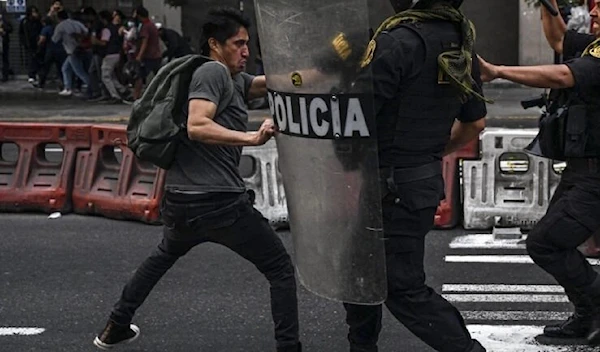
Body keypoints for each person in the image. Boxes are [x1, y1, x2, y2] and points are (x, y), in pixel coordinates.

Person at [92, 6, 302, 352]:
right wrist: (252, 138)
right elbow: (197, 124)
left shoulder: (233, 78)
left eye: (248, 43)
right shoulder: (212, 73)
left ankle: (116, 325)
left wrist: (317, 70)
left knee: (162, 257)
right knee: (279, 268)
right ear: (214, 44)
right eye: (239, 43)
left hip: (182, 201)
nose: (246, 51)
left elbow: (273, 81)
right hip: (219, 203)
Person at [342, 1, 487, 351]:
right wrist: (428, 154)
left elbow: (356, 116)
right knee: (359, 273)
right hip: (415, 181)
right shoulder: (460, 42)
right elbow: (475, 123)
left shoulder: (397, 41)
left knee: (401, 287)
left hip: (391, 187)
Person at [478, 0, 600, 345]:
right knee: (553, 242)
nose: (592, 12)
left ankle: (594, 308)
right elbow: (559, 40)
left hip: (595, 176)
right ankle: (587, 315)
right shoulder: (592, 45)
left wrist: (499, 71)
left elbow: (564, 74)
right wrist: (548, 4)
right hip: (582, 170)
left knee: (546, 242)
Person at [52, 10, 91, 97]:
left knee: (79, 71)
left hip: (71, 51)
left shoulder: (60, 26)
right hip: (81, 48)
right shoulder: (77, 23)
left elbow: (55, 39)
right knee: (65, 68)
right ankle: (67, 87)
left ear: (58, 18)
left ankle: (91, 86)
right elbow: (86, 31)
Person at [132, 6, 162, 99]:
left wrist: (139, 55)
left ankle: (136, 96)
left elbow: (145, 41)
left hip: (149, 56)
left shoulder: (145, 26)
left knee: (139, 76)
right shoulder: (152, 25)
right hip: (156, 55)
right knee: (159, 76)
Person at [36, 15, 66, 89]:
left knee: (45, 67)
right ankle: (64, 83)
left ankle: (41, 83)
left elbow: (42, 40)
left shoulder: (45, 29)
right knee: (61, 68)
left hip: (51, 51)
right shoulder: (57, 28)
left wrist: (38, 44)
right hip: (61, 50)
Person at [19, 5, 42, 84]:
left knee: (38, 58)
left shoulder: (38, 21)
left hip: (38, 43)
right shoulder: (25, 21)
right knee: (31, 59)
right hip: (28, 43)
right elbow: (21, 33)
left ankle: (38, 74)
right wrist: (24, 42)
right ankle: (32, 75)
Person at [0, 9, 13, 82]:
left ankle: (5, 76)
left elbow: (10, 28)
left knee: (5, 59)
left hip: (4, 42)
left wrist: (4, 30)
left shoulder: (5, 21)